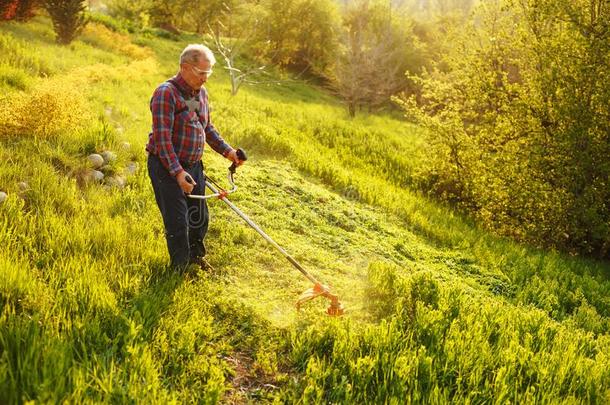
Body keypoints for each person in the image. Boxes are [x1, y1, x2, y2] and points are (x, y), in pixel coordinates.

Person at [146, 44, 244, 270]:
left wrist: (229, 152)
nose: (205, 78)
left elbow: (206, 127)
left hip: (194, 166)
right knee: (178, 222)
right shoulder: (166, 93)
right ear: (184, 68)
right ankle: (179, 270)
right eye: (201, 73)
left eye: (208, 73)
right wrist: (178, 173)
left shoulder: (198, 94)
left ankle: (195, 258)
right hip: (166, 167)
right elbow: (162, 140)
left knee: (199, 218)